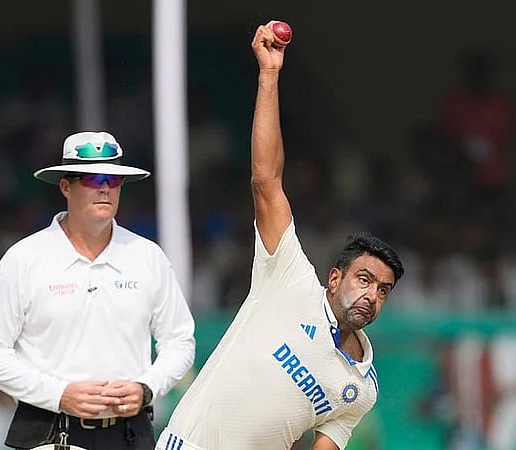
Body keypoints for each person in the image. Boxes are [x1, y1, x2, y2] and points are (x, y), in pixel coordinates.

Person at [156, 22, 404, 450]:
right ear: (334, 277)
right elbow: (266, 181)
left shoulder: (360, 386)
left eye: (383, 290)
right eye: (364, 280)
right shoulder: (288, 278)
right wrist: (269, 75)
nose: (372, 296)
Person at [0, 131, 196, 450]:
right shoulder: (24, 258)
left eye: (114, 180)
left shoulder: (148, 256)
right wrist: (58, 394)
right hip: (49, 431)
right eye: (92, 178)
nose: (105, 187)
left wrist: (146, 388)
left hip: (131, 434)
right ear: (66, 186)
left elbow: (180, 340)